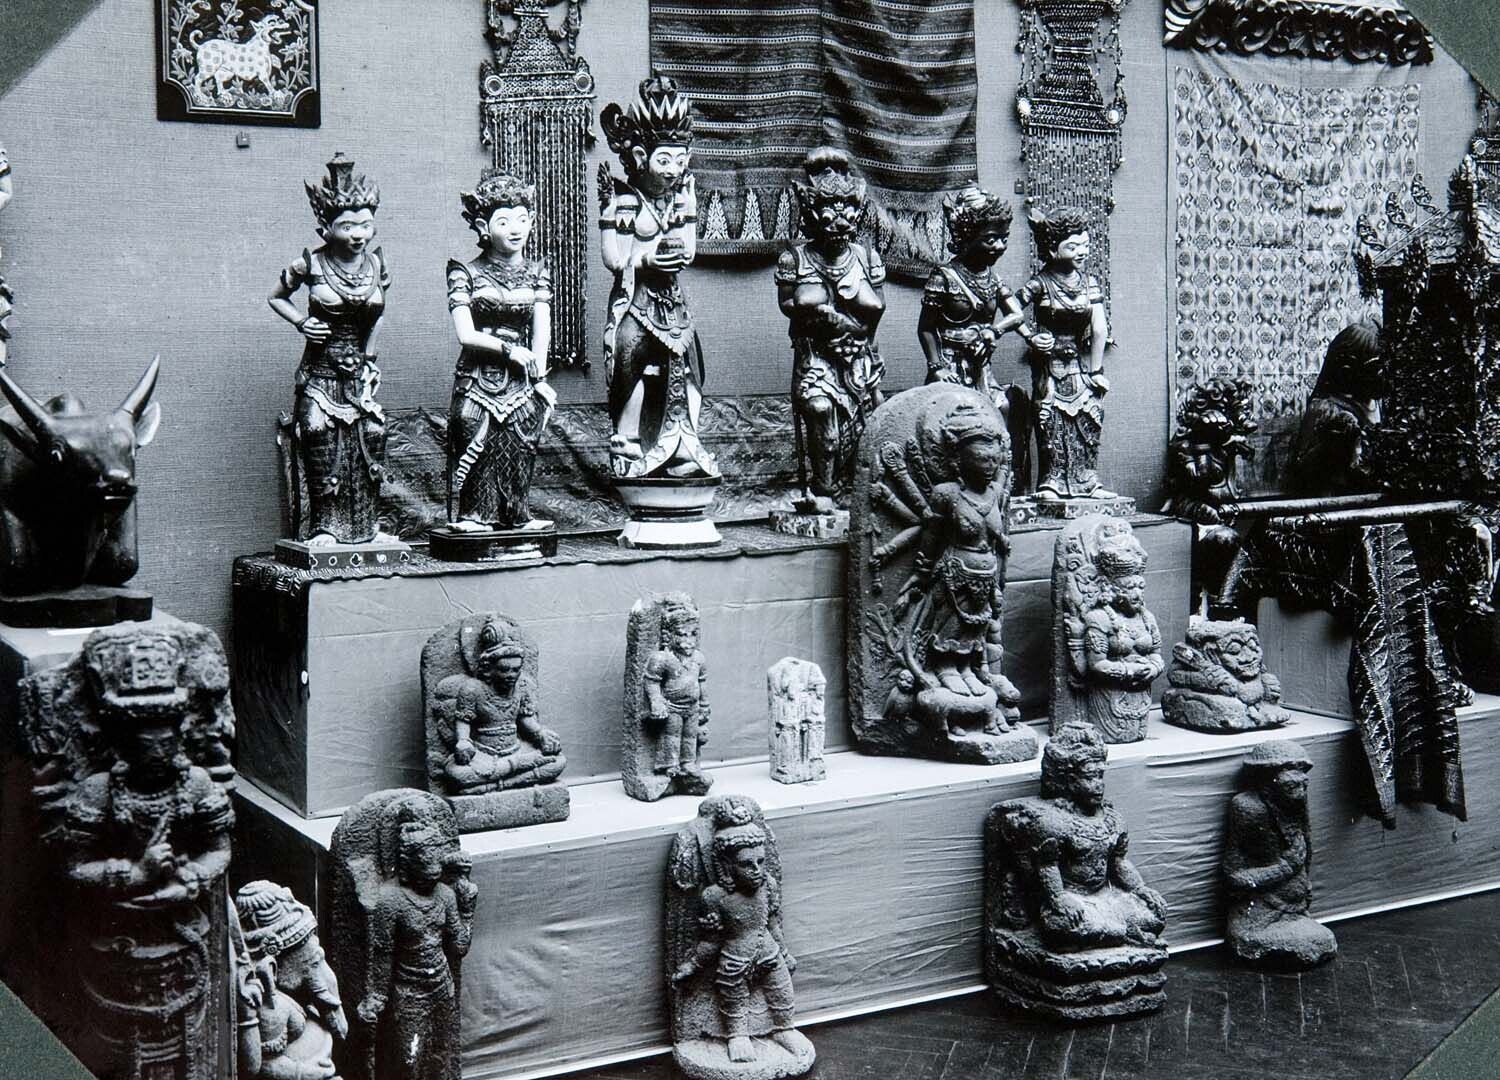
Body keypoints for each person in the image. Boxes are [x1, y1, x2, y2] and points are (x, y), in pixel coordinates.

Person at [268, 154, 392, 545]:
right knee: (317, 432)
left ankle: (368, 528)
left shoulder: (375, 264)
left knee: (372, 433)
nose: (358, 234)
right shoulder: (311, 264)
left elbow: (377, 317)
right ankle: (325, 526)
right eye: (347, 226)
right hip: (320, 371)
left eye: (365, 224)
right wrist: (301, 322)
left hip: (358, 374)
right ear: (326, 227)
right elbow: (276, 297)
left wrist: (370, 361)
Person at [598, 76, 718, 480]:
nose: (673, 170)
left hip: (671, 303)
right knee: (629, 362)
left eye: (680, 161)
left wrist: (690, 211)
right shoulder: (625, 201)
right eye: (663, 160)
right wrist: (647, 258)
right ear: (638, 155)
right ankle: (627, 442)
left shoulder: (679, 198)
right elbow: (614, 258)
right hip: (636, 300)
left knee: (692, 368)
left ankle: (685, 443)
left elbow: (689, 251)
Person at [445, 171, 556, 531]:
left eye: (522, 219)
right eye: (504, 221)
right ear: (483, 226)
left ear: (532, 221)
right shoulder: (465, 273)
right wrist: (508, 350)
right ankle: (475, 516)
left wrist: (539, 377)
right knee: (473, 432)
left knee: (522, 439)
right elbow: (466, 334)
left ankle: (517, 515)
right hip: (478, 376)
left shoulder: (537, 272)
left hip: (521, 379)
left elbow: (541, 330)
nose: (515, 229)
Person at [776, 146, 886, 506]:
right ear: (811, 215)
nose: (840, 222)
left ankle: (853, 492)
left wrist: (859, 338)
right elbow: (787, 304)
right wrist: (817, 314)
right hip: (817, 356)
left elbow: (877, 309)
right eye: (829, 213)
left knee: (864, 424)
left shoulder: (866, 257)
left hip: (858, 356)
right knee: (821, 411)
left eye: (848, 213)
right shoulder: (795, 259)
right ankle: (824, 489)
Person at [1016, 206, 1115, 501]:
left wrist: (1096, 371)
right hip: (1048, 367)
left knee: (1089, 416)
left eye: (1085, 244)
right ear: (1052, 249)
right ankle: (1052, 482)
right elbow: (1010, 309)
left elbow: (1100, 328)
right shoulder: (1040, 283)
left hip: (1079, 366)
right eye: (1072, 246)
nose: (1082, 252)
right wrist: (1031, 337)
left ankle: (1088, 481)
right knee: (1049, 419)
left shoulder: (1090, 283)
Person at [1223, 742, 1337, 968]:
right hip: (1262, 911)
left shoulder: (1296, 802)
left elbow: (1305, 851)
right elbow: (1234, 875)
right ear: (1267, 775)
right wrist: (1284, 868)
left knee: (1317, 938)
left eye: (1303, 771)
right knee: (1310, 939)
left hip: (1296, 908)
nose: (1302, 778)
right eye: (1291, 770)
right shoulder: (1248, 807)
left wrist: (1302, 884)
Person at [431, 615, 565, 794]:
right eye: (504, 670)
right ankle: (514, 776)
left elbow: (526, 719)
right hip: (484, 754)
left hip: (517, 749)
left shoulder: (522, 686)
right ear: (489, 668)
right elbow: (463, 722)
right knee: (457, 773)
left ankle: (492, 785)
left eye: (516, 669)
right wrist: (463, 742)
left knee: (558, 762)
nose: (511, 675)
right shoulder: (472, 689)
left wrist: (541, 734)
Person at [919, 185, 1026, 406]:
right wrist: (936, 367)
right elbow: (926, 328)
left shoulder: (992, 278)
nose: (1000, 247)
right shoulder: (944, 277)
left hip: (981, 367)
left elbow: (1017, 314)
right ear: (968, 237)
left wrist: (994, 331)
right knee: (959, 412)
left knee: (1001, 407)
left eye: (1004, 239)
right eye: (991, 240)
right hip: (950, 367)